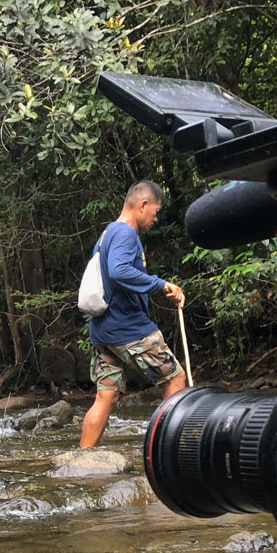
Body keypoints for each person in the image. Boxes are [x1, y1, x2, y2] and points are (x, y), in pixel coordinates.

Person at [80, 181, 188, 448]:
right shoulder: (126, 233)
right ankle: (166, 450)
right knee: (175, 378)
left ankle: (83, 456)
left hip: (103, 330)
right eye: (155, 210)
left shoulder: (108, 234)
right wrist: (161, 284)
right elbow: (118, 272)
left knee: (106, 395)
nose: (156, 217)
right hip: (127, 327)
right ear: (142, 205)